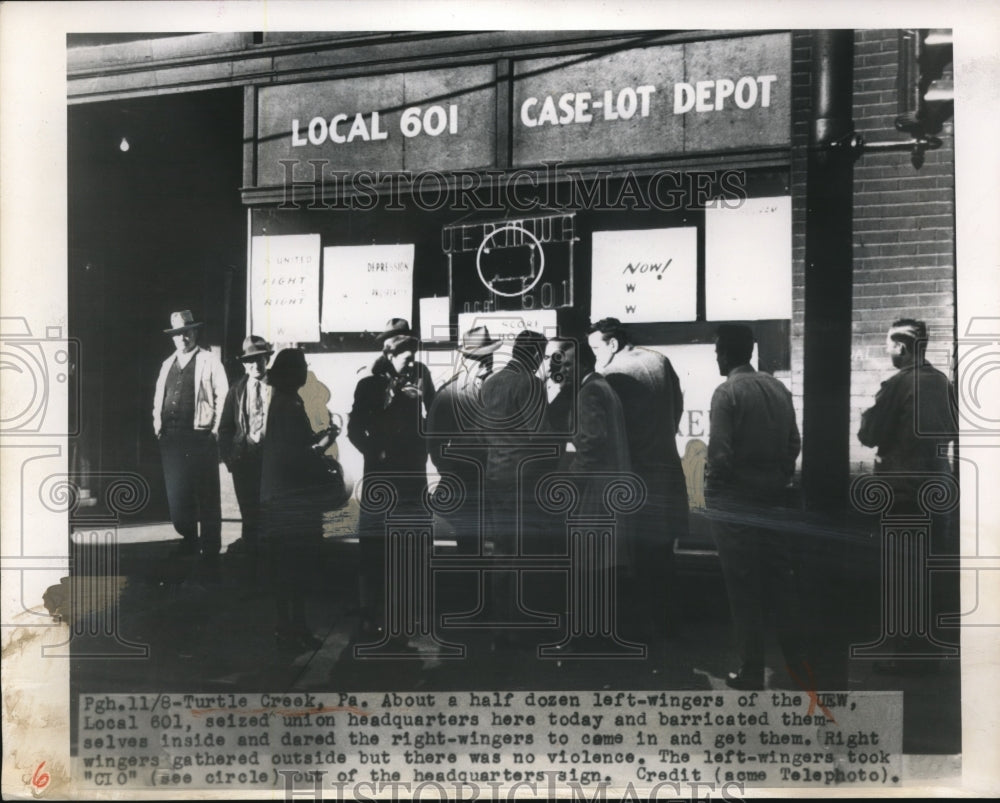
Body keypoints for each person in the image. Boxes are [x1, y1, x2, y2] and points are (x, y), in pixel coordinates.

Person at [706, 324, 803, 690]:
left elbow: (719, 454)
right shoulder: (777, 388)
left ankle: (750, 668)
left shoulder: (726, 392)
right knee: (780, 581)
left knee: (743, 585)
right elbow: (794, 441)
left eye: (718, 351)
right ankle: (798, 664)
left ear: (727, 353)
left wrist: (715, 492)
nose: (717, 357)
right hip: (774, 498)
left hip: (736, 499)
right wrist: (778, 476)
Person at [588, 317, 689, 637]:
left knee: (640, 558)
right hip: (668, 471)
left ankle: (647, 630)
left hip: (638, 477)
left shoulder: (610, 375)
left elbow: (609, 432)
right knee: (663, 557)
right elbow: (677, 410)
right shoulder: (660, 360)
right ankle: (669, 623)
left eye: (594, 348)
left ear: (612, 344)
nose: (593, 356)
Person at [348, 334, 429, 640]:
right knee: (374, 549)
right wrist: (374, 451)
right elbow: (355, 428)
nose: (411, 364)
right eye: (407, 359)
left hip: (409, 480)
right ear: (391, 356)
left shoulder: (413, 387)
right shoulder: (369, 386)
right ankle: (369, 616)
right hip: (381, 479)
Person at [479, 330, 552, 646]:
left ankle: (499, 624)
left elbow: (482, 434)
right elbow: (541, 436)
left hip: (496, 475)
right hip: (523, 481)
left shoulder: (490, 383)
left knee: (502, 552)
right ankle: (517, 625)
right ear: (535, 354)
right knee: (522, 553)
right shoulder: (531, 384)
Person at [259, 348, 335, 651]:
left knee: (287, 568)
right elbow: (297, 457)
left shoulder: (282, 402)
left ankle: (290, 627)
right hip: (293, 501)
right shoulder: (289, 406)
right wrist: (325, 442)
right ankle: (292, 629)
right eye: (303, 366)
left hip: (280, 498)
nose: (306, 371)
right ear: (292, 372)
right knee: (295, 568)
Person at [151, 310, 228, 577]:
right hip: (171, 440)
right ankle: (189, 539)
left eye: (187, 332)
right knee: (178, 498)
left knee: (207, 496)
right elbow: (158, 397)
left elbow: (223, 395)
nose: (182, 337)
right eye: (177, 334)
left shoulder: (209, 361)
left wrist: (215, 431)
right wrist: (157, 427)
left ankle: (210, 551)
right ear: (172, 338)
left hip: (200, 437)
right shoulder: (167, 363)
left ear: (195, 332)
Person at [858, 318, 957, 511]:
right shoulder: (942, 382)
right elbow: (954, 431)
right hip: (940, 488)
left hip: (902, 491)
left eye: (888, 346)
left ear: (900, 348)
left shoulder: (898, 384)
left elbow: (869, 436)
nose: (887, 351)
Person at [425, 326, 501, 554]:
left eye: (490, 356)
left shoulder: (493, 388)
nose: (488, 363)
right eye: (481, 358)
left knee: (490, 541)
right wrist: (451, 471)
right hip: (464, 479)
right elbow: (434, 441)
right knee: (469, 544)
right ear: (466, 360)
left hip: (490, 476)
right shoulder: (449, 394)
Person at [218, 335, 273, 584]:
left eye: (259, 360)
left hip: (272, 463)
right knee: (250, 516)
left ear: (267, 359)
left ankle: (272, 575)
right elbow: (225, 428)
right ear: (244, 364)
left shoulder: (280, 388)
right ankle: (252, 575)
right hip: (246, 463)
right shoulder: (237, 389)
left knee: (271, 516)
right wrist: (230, 459)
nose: (255, 366)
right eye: (249, 361)